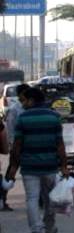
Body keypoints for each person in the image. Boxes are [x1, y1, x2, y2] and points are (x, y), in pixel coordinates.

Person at [4, 86, 68, 233]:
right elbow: (60, 144)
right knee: (49, 199)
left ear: (32, 100)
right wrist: (64, 166)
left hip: (29, 166)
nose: (22, 104)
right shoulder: (54, 117)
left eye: (24, 100)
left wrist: (13, 168)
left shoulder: (23, 119)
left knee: (32, 199)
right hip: (50, 166)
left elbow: (17, 146)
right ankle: (49, 228)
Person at [1, 84, 29, 212]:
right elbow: (10, 128)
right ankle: (3, 199)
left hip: (30, 146)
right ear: (21, 94)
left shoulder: (29, 107)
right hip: (17, 146)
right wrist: (12, 145)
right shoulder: (14, 109)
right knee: (11, 173)